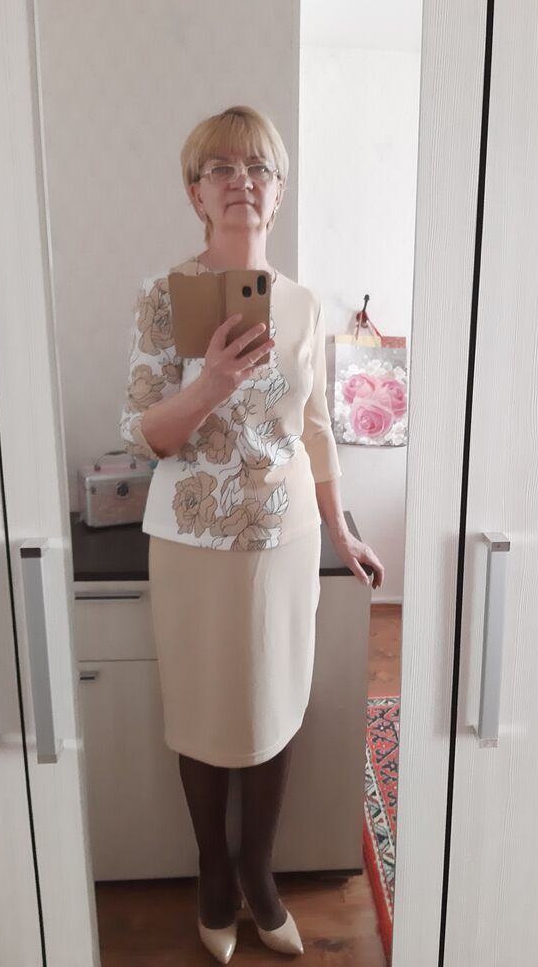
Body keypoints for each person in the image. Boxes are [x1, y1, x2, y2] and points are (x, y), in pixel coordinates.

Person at [119, 105, 384, 963]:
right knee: (203, 714)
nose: (242, 181)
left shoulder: (302, 305)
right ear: (195, 192)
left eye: (258, 167)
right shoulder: (162, 298)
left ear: (278, 191)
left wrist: (341, 530)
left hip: (283, 540)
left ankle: (259, 876)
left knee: (274, 710)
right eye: (221, 168)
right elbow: (143, 433)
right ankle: (212, 875)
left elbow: (316, 428)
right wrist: (211, 383)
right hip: (190, 544)